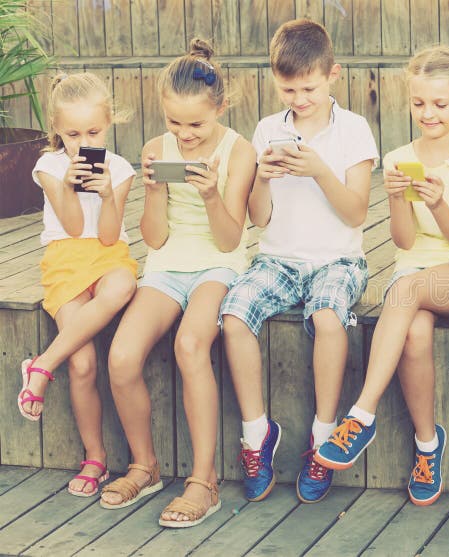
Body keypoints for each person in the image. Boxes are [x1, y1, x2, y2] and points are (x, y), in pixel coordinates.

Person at [315, 46, 449, 506]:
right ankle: (426, 446)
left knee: (407, 290)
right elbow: (401, 241)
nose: (428, 114)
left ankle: (361, 413)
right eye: (419, 104)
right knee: (414, 331)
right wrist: (398, 198)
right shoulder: (399, 156)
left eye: (440, 104)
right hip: (414, 272)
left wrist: (437, 201)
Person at [219, 18, 378, 504]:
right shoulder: (268, 128)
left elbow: (356, 211)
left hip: (338, 259)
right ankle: (256, 435)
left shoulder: (353, 130)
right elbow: (260, 219)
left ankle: (323, 437)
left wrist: (319, 171)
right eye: (287, 88)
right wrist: (262, 179)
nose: (298, 98)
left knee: (328, 317)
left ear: (333, 74)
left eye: (308, 87)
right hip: (279, 258)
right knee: (232, 315)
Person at [101, 39, 255, 528]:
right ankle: (144, 466)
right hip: (167, 263)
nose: (184, 136)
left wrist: (212, 196)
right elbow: (154, 237)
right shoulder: (155, 150)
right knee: (122, 355)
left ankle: (203, 480)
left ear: (220, 109)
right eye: (174, 123)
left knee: (191, 343)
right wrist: (152, 192)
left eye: (196, 124)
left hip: (219, 264)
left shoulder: (239, 150)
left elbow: (230, 241)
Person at [20, 72, 138, 498]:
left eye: (92, 131)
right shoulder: (49, 166)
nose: (81, 141)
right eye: (72, 133)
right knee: (84, 363)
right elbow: (71, 227)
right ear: (57, 130)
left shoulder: (121, 169)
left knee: (122, 286)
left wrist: (108, 195)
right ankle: (95, 457)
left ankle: (42, 365)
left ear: (108, 124)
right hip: (66, 260)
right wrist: (70, 187)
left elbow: (109, 237)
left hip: (107, 258)